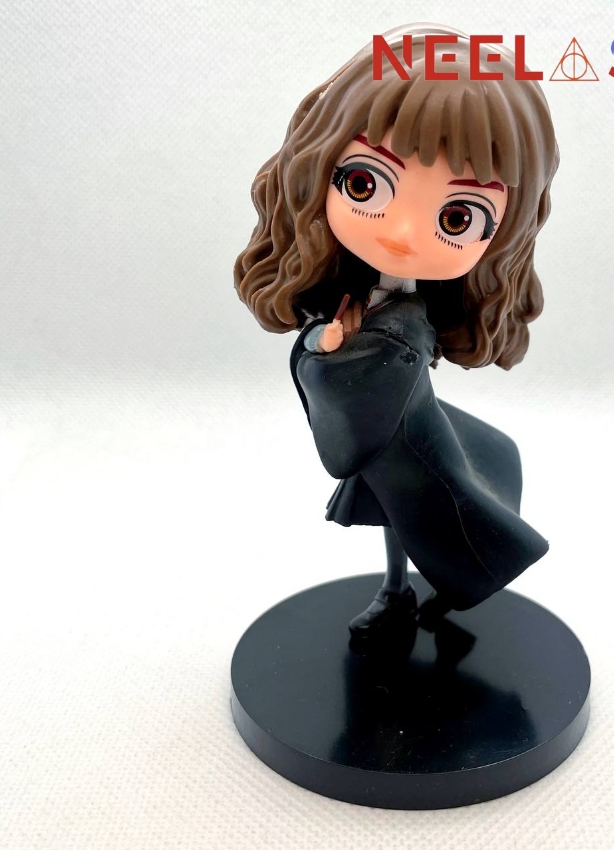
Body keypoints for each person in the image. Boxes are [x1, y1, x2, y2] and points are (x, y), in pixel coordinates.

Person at [234, 24, 559, 642]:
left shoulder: (408, 323)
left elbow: (367, 369)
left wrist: (331, 352)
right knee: (398, 518)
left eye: (457, 217)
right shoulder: (350, 289)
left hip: (410, 440)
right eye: (365, 183)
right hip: (386, 440)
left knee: (433, 521)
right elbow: (324, 345)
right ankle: (398, 589)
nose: (403, 234)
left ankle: (423, 590)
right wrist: (322, 341)